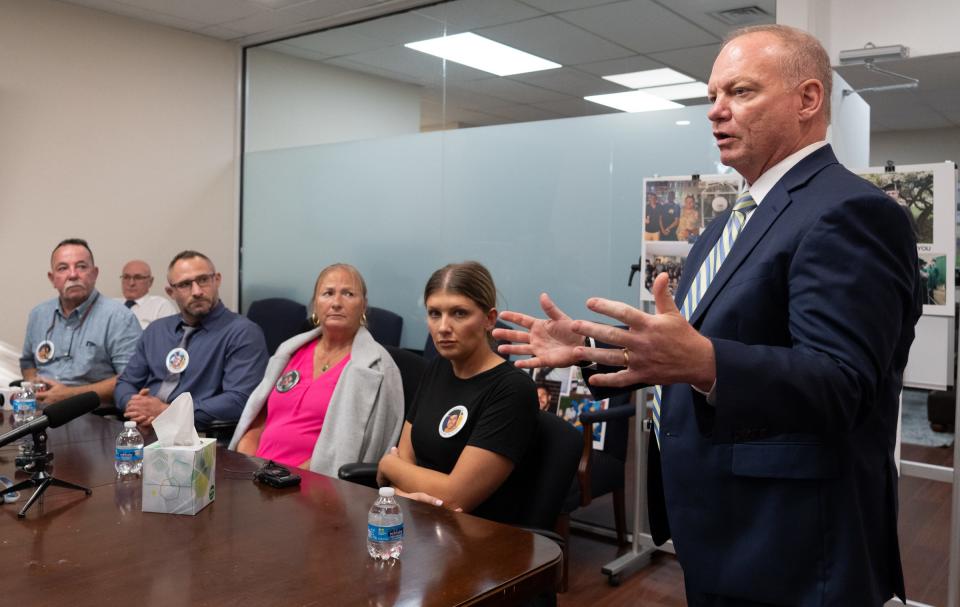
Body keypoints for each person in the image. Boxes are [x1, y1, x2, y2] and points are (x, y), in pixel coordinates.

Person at [494, 24, 921, 606]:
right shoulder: (723, 226)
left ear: (808, 100)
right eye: (711, 96)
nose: (716, 112)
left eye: (741, 92)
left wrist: (706, 363)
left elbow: (842, 385)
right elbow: (697, 344)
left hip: (795, 540)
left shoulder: (851, 212)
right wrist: (597, 346)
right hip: (719, 523)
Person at [376, 261, 538, 523]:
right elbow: (407, 453)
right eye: (434, 313)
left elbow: (456, 496)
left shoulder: (513, 390)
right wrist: (406, 495)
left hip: (479, 538)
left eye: (459, 313)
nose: (443, 327)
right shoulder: (439, 367)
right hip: (419, 519)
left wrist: (387, 465)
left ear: (489, 319)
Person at [229, 263, 404, 476]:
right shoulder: (289, 351)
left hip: (314, 485)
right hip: (258, 475)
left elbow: (369, 449)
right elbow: (258, 420)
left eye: (348, 294)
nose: (336, 303)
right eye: (328, 293)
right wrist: (249, 464)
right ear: (315, 305)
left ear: (364, 306)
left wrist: (291, 478)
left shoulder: (378, 368)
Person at [114, 250, 268, 429]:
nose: (197, 291)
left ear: (216, 280)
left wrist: (169, 412)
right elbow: (126, 382)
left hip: (197, 437)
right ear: (171, 292)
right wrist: (135, 406)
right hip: (144, 428)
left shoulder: (243, 332)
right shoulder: (156, 330)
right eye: (185, 284)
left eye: (203, 280)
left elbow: (239, 399)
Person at [21, 238, 141, 405]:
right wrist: (34, 381)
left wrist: (69, 394)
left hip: (93, 415)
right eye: (63, 268)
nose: (73, 275)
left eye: (81, 266)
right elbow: (27, 362)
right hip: (42, 413)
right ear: (52, 278)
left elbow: (131, 379)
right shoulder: (38, 315)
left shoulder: (119, 317)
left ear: (94, 273)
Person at [117, 260, 177, 329]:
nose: (131, 283)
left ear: (150, 281)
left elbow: (168, 336)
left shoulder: (161, 306)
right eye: (126, 277)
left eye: (138, 277)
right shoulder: (112, 305)